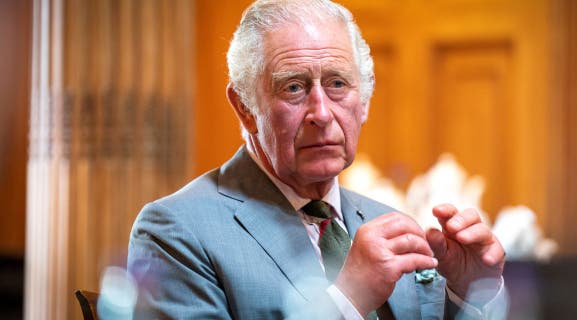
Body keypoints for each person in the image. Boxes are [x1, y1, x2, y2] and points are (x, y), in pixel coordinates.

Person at [127, 0, 507, 319]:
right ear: (244, 108)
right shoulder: (175, 232)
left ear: (365, 102)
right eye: (294, 87)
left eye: (338, 84)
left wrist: (466, 294)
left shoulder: (390, 224)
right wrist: (348, 299)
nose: (321, 113)